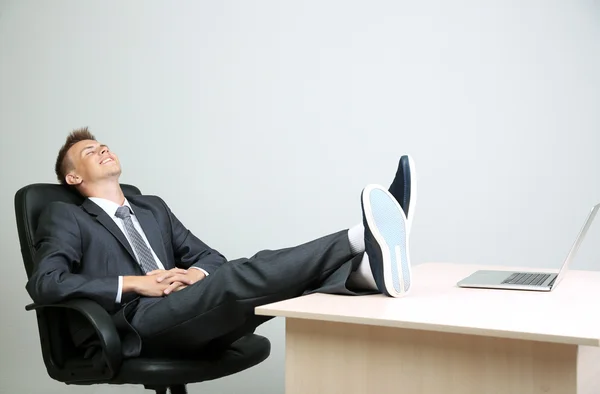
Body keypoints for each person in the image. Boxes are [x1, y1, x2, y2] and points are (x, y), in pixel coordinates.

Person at [26, 128, 416, 358]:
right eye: (90, 152)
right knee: (238, 276)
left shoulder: (151, 208)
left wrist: (194, 275)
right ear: (74, 179)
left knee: (255, 280)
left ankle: (361, 274)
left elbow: (209, 257)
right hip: (131, 324)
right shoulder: (66, 215)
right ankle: (359, 239)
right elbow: (47, 282)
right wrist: (134, 283)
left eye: (103, 144)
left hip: (181, 309)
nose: (103, 149)